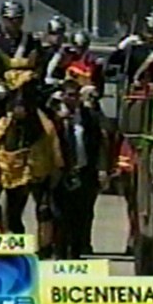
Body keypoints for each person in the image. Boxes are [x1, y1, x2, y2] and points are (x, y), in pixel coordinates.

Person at [52, 79, 109, 259]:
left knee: (82, 215)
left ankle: (77, 253)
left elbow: (100, 143)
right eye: (69, 95)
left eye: (76, 95)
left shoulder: (89, 117)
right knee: (60, 217)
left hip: (84, 172)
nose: (73, 99)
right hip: (60, 174)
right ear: (62, 96)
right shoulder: (53, 118)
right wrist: (58, 120)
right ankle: (60, 254)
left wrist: (102, 169)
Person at [107, 10, 153, 86]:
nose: (152, 35)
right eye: (150, 31)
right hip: (130, 84)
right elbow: (114, 61)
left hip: (152, 85)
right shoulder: (132, 45)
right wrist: (123, 46)